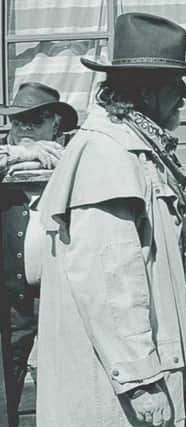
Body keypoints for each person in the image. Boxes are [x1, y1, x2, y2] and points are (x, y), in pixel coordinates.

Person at [34, 13, 186, 427]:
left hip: (139, 363)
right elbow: (110, 280)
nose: (183, 96)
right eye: (174, 85)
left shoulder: (143, 149)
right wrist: (141, 382)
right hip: (116, 378)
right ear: (143, 91)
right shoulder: (107, 156)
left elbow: (174, 241)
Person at [0, 82, 77, 427]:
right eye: (18, 122)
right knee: (6, 387)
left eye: (36, 120)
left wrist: (35, 154)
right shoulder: (5, 160)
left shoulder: (73, 158)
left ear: (56, 125)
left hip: (63, 300)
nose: (25, 128)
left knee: (64, 386)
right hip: (10, 302)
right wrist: (23, 154)